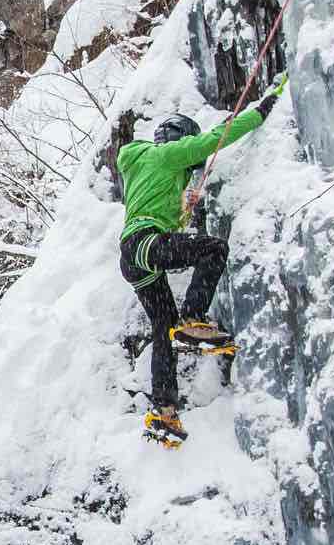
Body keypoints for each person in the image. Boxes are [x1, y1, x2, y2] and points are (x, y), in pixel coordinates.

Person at [117, 76, 284, 446]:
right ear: (177, 138)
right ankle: (194, 317)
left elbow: (157, 212)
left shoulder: (139, 166)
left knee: (163, 325)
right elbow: (214, 139)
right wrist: (260, 112)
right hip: (147, 242)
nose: (189, 169)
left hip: (134, 254)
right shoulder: (166, 154)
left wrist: (182, 213)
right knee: (213, 250)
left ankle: (164, 412)